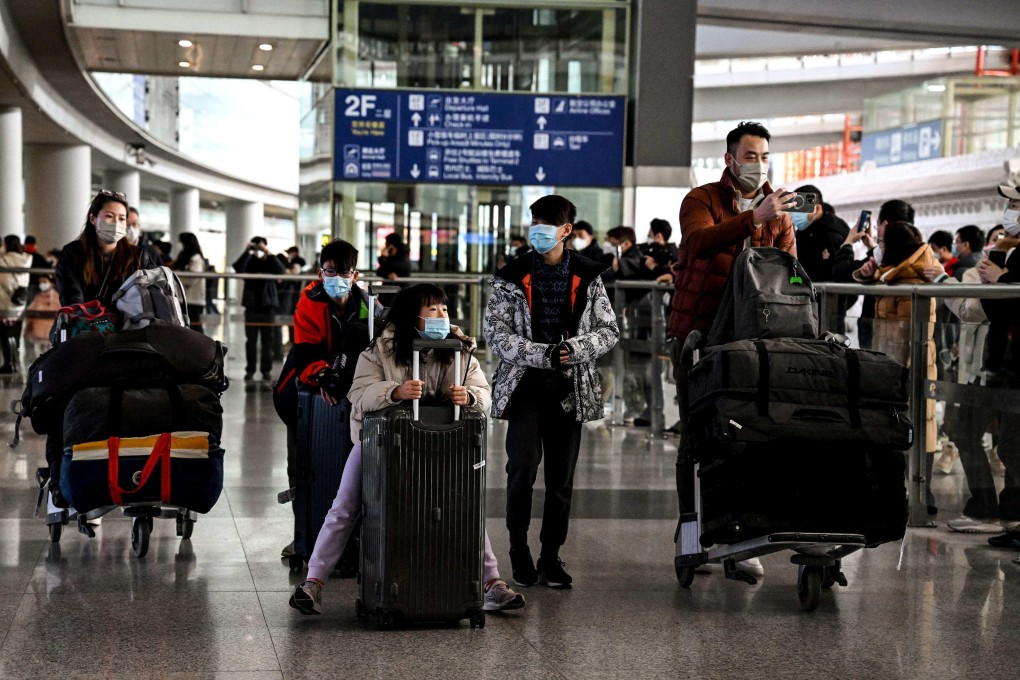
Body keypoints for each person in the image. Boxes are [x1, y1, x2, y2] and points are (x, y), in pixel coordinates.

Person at [290, 283, 525, 615]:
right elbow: (358, 394)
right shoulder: (379, 351)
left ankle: (491, 583)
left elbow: (483, 393)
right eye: (432, 310)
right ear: (410, 315)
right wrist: (394, 391)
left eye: (444, 309)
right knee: (344, 507)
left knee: (465, 508)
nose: (441, 315)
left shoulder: (459, 349)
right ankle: (313, 582)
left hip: (443, 444)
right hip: (379, 444)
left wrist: (469, 397)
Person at [667, 121, 797, 577]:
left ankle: (736, 540)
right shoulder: (701, 199)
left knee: (745, 436)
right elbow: (697, 243)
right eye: (750, 156)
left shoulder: (779, 213)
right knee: (694, 438)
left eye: (764, 156)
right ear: (730, 159)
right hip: (697, 336)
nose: (758, 165)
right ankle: (691, 535)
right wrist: (751, 219)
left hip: (750, 341)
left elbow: (788, 270)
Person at [484, 194, 620, 589]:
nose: (538, 229)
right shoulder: (511, 276)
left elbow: (608, 330)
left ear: (566, 230)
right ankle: (518, 550)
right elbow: (496, 333)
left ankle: (550, 556)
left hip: (569, 388)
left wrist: (573, 350)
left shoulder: (588, 275)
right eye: (534, 222)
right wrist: (543, 354)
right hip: (525, 386)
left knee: (561, 479)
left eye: (547, 223)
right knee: (521, 469)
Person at [49, 189, 157, 500]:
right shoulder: (73, 255)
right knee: (62, 403)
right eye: (109, 217)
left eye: (121, 218)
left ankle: (132, 474)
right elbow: (72, 301)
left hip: (126, 344)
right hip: (83, 343)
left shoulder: (138, 256)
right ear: (93, 219)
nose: (116, 223)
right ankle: (62, 480)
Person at [962, 184, 1020, 554]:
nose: (1010, 210)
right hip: (1006, 363)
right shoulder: (1013, 251)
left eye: (1016, 203)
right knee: (1010, 443)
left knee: (1013, 443)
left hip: (1015, 362)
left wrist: (1000, 282)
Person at [831, 199, 916, 349]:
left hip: (878, 336)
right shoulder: (914, 254)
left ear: (885, 226)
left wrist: (848, 242)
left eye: (878, 225)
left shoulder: (882, 261)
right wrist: (871, 246)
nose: (877, 230)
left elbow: (841, 271)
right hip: (908, 338)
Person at [233, 236, 285, 382]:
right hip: (252, 306)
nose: (258, 249)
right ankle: (250, 370)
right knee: (251, 340)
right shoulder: (249, 260)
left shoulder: (270, 260)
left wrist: (267, 252)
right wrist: (247, 251)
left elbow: (281, 270)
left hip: (268, 306)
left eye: (260, 246)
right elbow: (238, 267)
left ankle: (266, 370)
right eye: (257, 246)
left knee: (267, 341)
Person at [791, 186, 849, 283]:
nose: (795, 215)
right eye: (794, 210)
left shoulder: (832, 235)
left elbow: (829, 274)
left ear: (817, 209)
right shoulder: (803, 232)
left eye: (800, 210)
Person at [0, 235, 32, 373]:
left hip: (6, 300)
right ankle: (16, 361)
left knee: (5, 332)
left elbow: (5, 279)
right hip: (21, 298)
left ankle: (9, 363)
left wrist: (12, 292)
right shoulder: (25, 259)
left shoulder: (4, 259)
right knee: (15, 331)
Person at [171, 232, 207, 334]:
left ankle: (200, 349)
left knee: (194, 329)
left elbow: (191, 279)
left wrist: (174, 277)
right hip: (183, 299)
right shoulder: (183, 257)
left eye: (180, 241)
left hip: (193, 300)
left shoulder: (196, 259)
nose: (178, 244)